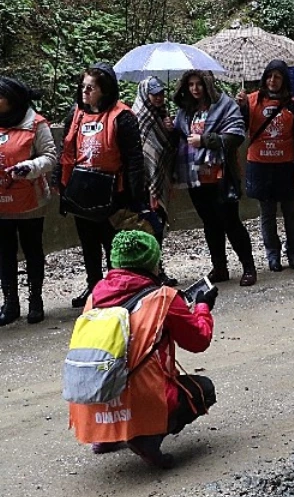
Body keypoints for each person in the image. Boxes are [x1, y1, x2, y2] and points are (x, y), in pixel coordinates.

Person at [69, 230, 217, 470]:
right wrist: (202, 308)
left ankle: (106, 436)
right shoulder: (163, 298)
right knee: (204, 390)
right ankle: (146, 439)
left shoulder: (94, 297)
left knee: (121, 378)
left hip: (94, 399)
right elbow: (198, 341)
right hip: (142, 397)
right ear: (152, 262)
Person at [59, 63, 149, 308]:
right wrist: (62, 189)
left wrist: (135, 197)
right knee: (88, 246)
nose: (85, 92)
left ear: (105, 90)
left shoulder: (123, 116)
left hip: (114, 193)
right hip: (81, 190)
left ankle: (116, 290)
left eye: (91, 88)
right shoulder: (75, 114)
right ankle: (94, 289)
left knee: (113, 247)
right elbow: (65, 152)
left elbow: (134, 159)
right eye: (83, 87)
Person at [173, 70, 257, 286]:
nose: (194, 89)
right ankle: (219, 267)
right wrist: (169, 129)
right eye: (190, 84)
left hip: (221, 175)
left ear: (207, 84)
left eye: (198, 84)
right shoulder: (184, 112)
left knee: (230, 222)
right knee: (210, 224)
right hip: (196, 177)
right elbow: (180, 137)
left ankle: (249, 267)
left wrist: (205, 140)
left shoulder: (225, 106)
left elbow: (236, 135)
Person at [238, 60, 294, 271]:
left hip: (286, 166)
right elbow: (239, 127)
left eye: (277, 77)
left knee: (290, 213)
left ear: (284, 80)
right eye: (269, 76)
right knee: (267, 215)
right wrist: (240, 106)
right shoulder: (251, 101)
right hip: (260, 166)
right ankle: (273, 255)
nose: (272, 81)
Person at [0, 77, 56, 324]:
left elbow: (50, 156)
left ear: (11, 100)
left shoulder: (35, 123)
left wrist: (30, 166)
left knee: (32, 251)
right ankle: (10, 303)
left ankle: (36, 300)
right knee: (4, 254)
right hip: (2, 204)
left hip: (30, 202)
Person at [131, 77, 175, 242]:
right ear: (144, 94)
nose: (159, 98)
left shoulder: (163, 114)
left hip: (161, 174)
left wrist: (171, 129)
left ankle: (158, 261)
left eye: (161, 94)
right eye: (154, 94)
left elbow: (170, 147)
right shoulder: (138, 116)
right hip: (142, 180)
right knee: (146, 221)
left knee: (160, 219)